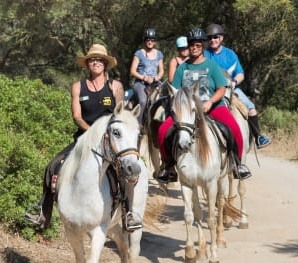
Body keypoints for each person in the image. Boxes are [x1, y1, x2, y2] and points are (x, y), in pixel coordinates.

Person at [25, 44, 142, 230]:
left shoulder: (115, 86)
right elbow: (77, 116)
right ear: (87, 64)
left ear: (105, 64)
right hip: (83, 138)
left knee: (126, 173)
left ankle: (129, 214)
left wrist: (109, 135)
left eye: (99, 60)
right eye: (92, 59)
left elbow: (120, 115)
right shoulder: (77, 87)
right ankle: (43, 214)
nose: (96, 62)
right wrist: (90, 133)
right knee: (53, 166)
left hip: (109, 141)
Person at [156, 28, 251, 183]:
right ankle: (168, 166)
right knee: (162, 131)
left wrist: (210, 102)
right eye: (192, 45)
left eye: (198, 45)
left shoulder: (212, 66)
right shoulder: (182, 68)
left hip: (213, 106)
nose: (194, 48)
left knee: (234, 128)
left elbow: (222, 88)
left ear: (203, 47)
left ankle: (238, 164)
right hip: (188, 110)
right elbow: (176, 91)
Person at [204, 23, 271, 149]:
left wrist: (234, 82)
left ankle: (258, 137)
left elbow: (240, 73)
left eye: (215, 37)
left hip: (231, 87)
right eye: (210, 38)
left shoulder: (230, 54)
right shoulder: (204, 54)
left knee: (251, 108)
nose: (212, 40)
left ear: (221, 38)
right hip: (210, 90)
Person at [130, 28, 164, 124]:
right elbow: (132, 71)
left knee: (165, 98)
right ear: (145, 41)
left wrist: (157, 77)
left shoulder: (159, 54)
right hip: (140, 83)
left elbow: (161, 71)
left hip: (155, 82)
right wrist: (144, 78)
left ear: (155, 41)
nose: (150, 42)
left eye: (152, 40)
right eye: (148, 39)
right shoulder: (139, 53)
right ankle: (138, 124)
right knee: (143, 100)